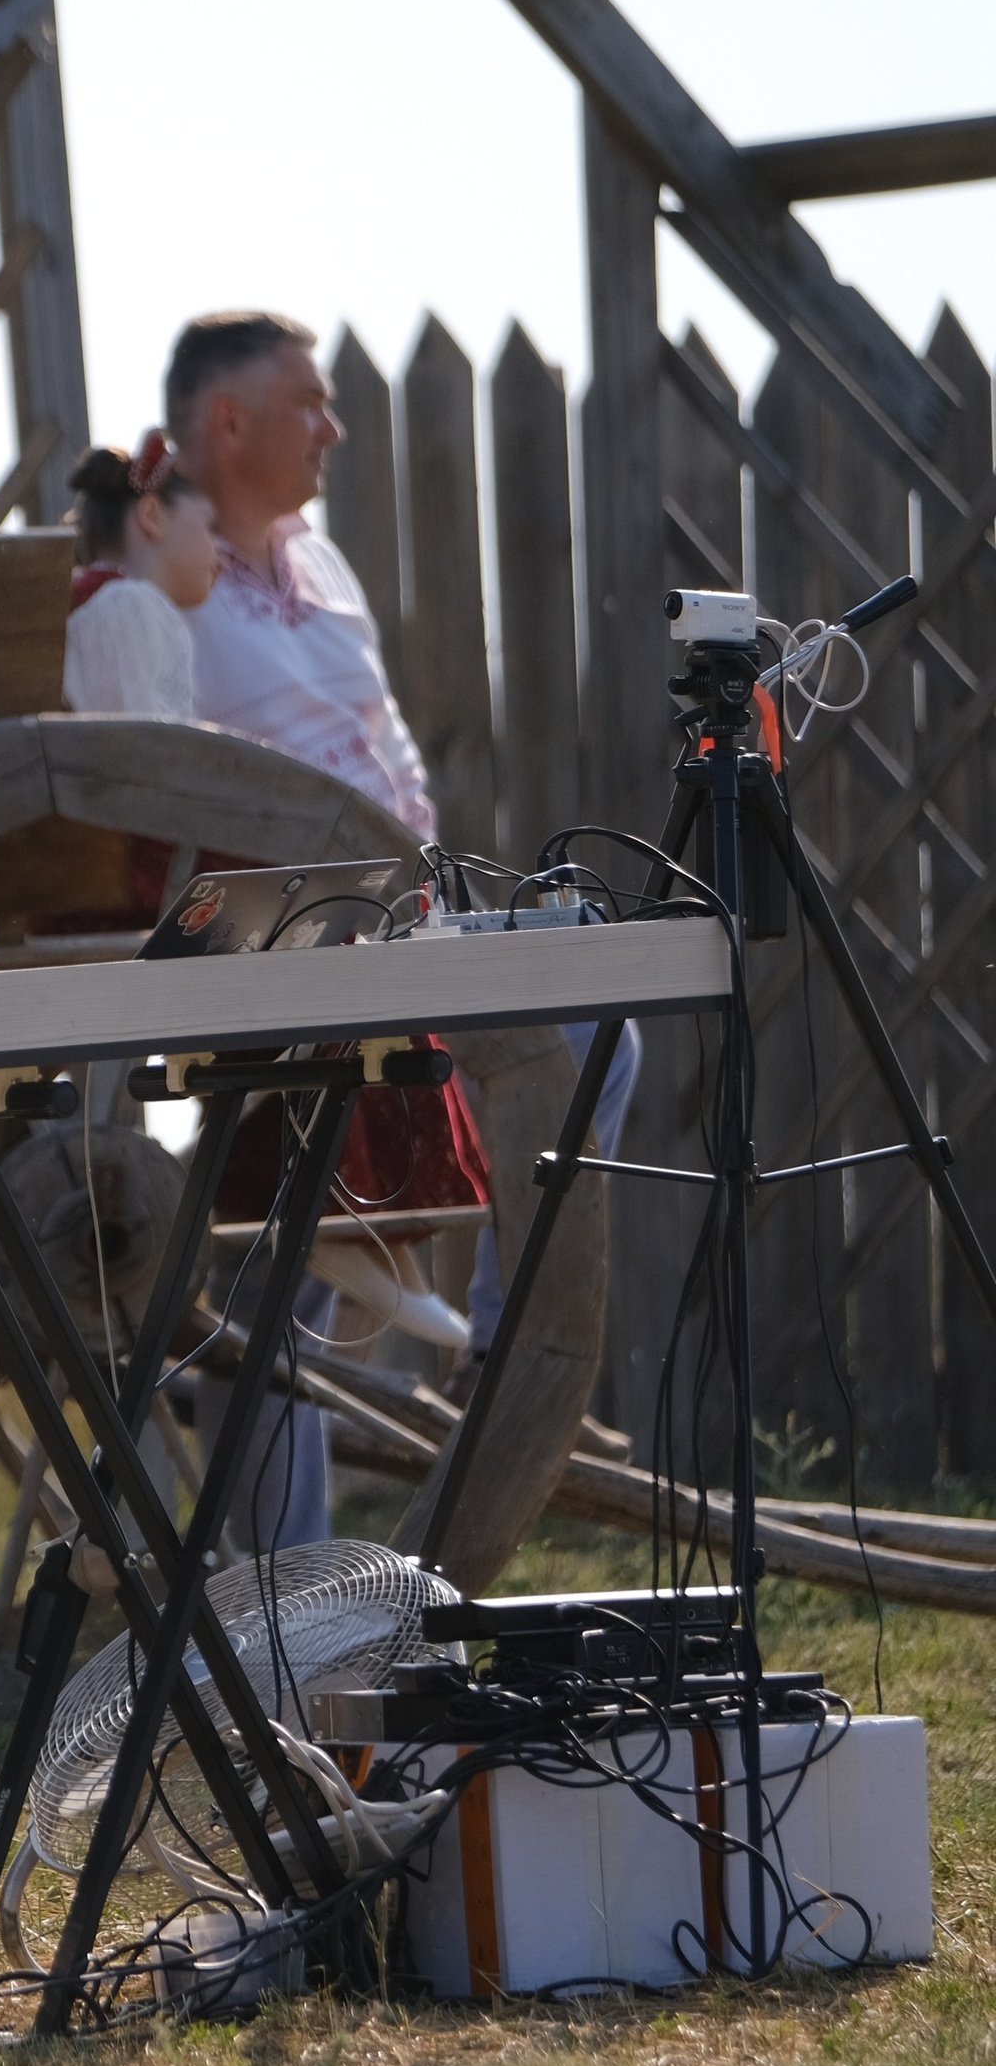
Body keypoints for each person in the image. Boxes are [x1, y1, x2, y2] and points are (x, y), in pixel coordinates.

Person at [160, 309, 639, 1545]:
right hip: (263, 938)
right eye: (308, 403)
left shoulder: (318, 564)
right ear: (226, 422)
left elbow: (383, 740)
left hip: (392, 914)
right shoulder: (154, 560)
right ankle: (280, 1578)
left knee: (597, 1021)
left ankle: (496, 1350)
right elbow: (134, 768)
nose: (333, 426)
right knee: (291, 1238)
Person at [63, 435, 220, 720]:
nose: (220, 551)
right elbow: (137, 751)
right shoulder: (126, 606)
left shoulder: (97, 600)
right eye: (211, 526)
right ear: (152, 515)